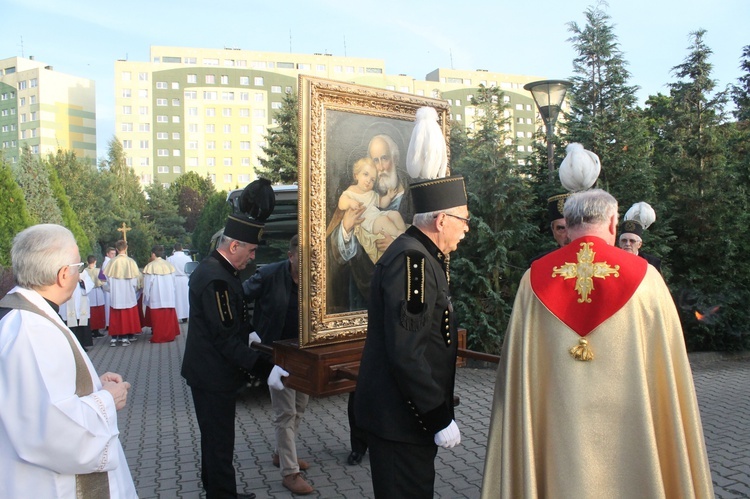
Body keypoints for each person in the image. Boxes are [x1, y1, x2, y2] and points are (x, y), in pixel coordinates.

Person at [481, 189, 713, 498]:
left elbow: (518, 373)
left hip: (556, 437)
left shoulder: (534, 279)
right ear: (614, 222)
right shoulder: (647, 279)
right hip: (632, 433)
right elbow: (668, 369)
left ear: (569, 223)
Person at [0, 224, 136, 498]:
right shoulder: (33, 330)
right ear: (63, 275)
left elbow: (38, 394)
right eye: (76, 266)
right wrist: (107, 399)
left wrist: (93, 384)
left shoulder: (27, 317)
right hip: (49, 485)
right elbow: (54, 428)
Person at [355, 176, 470, 498]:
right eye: (464, 219)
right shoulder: (413, 261)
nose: (467, 228)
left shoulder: (421, 254)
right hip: (400, 419)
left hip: (405, 417)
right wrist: (437, 415)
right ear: (441, 220)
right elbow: (406, 352)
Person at [181, 213, 267, 499]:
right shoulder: (216, 279)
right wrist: (266, 369)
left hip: (208, 371)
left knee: (214, 438)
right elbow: (224, 338)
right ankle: (222, 495)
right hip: (212, 375)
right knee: (219, 441)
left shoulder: (217, 269)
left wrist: (251, 331)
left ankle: (217, 489)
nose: (252, 258)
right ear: (234, 247)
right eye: (251, 250)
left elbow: (231, 320)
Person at [242, 234, 314, 495]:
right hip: (276, 355)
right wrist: (249, 331)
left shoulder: (315, 278)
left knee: (300, 406)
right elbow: (238, 297)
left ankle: (281, 454)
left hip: (304, 354)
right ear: (290, 256)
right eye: (302, 259)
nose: (308, 265)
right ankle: (289, 472)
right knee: (285, 412)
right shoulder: (269, 274)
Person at [338, 157, 406, 263]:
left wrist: (389, 196)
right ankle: (399, 235)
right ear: (356, 175)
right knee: (383, 220)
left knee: (395, 214)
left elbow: (382, 203)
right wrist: (351, 202)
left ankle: (405, 235)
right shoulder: (351, 191)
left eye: (372, 179)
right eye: (365, 174)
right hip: (369, 223)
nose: (369, 181)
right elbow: (342, 203)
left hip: (377, 215)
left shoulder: (372, 194)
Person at [103, 239, 143, 346]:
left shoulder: (111, 262)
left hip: (116, 294)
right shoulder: (131, 262)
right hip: (127, 293)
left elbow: (105, 279)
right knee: (126, 315)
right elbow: (135, 281)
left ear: (116, 249)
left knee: (115, 315)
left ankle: (114, 338)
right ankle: (125, 337)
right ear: (126, 248)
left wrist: (110, 289)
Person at [142, 244, 181, 343]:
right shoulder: (169, 265)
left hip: (156, 296)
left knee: (158, 318)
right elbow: (173, 282)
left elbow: (147, 284)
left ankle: (159, 336)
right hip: (168, 295)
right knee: (168, 316)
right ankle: (169, 335)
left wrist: (146, 295)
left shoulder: (150, 266)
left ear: (153, 254)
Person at [58, 260, 95, 351]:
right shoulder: (64, 273)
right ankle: (72, 347)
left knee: (81, 324)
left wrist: (81, 281)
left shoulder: (83, 273)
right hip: (68, 303)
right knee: (71, 326)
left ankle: (82, 345)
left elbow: (90, 284)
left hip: (80, 302)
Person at [619, 201, 662, 273]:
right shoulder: (611, 260)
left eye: (632, 241)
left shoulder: (651, 263)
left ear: (639, 244)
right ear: (619, 242)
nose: (627, 244)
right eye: (624, 240)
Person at [167, 242, 191, 322]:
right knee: (185, 298)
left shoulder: (170, 259)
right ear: (181, 248)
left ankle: (176, 315)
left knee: (176, 298)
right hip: (185, 279)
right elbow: (190, 270)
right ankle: (185, 316)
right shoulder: (187, 258)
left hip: (174, 280)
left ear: (174, 249)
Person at [85, 255, 107, 337]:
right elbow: (104, 280)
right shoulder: (98, 270)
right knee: (98, 311)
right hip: (97, 291)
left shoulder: (84, 271)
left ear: (87, 262)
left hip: (88, 292)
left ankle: (91, 329)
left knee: (91, 311)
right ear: (95, 262)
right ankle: (96, 330)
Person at [100, 246, 116, 328]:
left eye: (114, 254)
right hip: (108, 286)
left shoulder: (110, 262)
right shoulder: (107, 262)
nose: (113, 255)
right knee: (108, 304)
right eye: (112, 254)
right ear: (107, 254)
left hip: (110, 285)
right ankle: (109, 323)